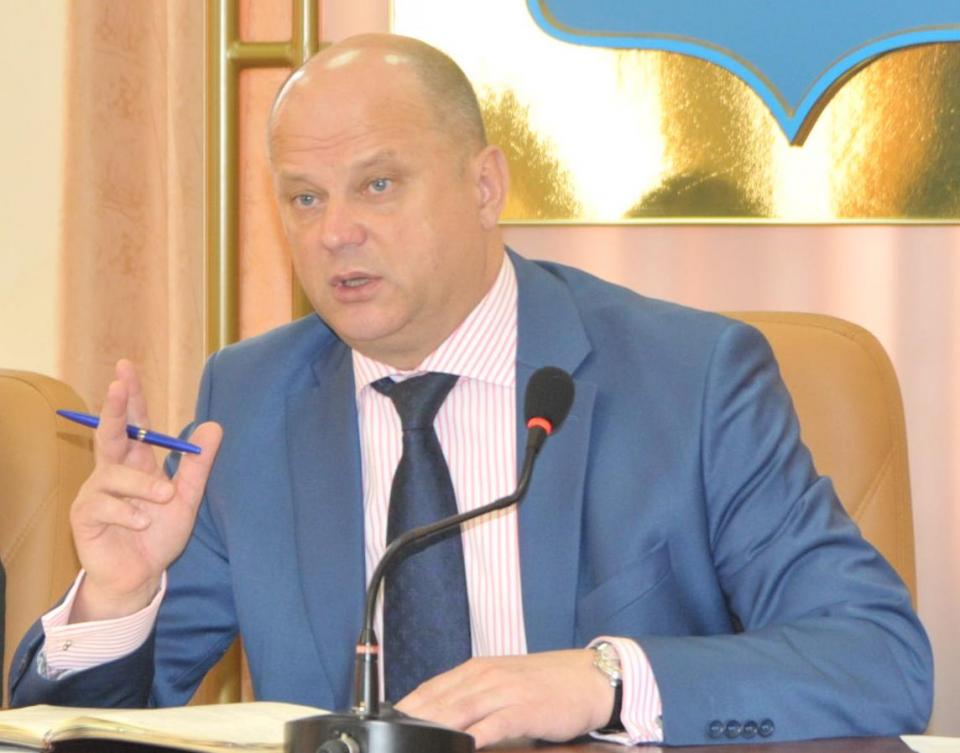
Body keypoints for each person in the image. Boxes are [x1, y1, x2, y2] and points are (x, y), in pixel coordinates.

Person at [10, 34, 932, 747]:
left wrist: (603, 679)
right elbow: (95, 727)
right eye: (304, 198)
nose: (335, 233)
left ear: (485, 184)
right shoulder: (252, 400)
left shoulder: (689, 379)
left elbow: (878, 654)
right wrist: (119, 598)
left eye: (378, 185)